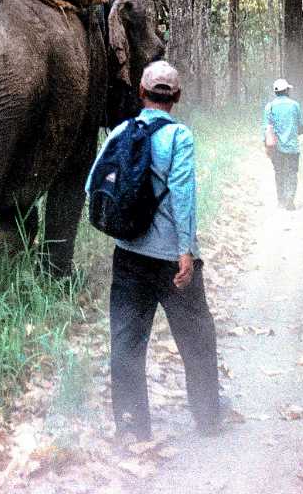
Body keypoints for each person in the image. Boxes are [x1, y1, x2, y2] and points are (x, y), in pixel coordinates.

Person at [86, 60, 225, 441]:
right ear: (177, 97)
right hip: (172, 261)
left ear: (142, 94)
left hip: (128, 256)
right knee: (197, 339)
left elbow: (91, 187)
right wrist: (186, 251)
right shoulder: (181, 137)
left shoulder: (119, 133)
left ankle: (132, 429)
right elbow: (183, 195)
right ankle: (208, 419)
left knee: (126, 341)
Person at [262, 78, 303, 210]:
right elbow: (300, 127)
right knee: (292, 172)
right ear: (286, 90)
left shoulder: (269, 107)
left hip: (276, 148)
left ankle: (281, 200)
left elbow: (266, 129)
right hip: (292, 147)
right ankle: (290, 199)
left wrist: (266, 145)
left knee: (279, 172)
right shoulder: (295, 105)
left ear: (276, 92)